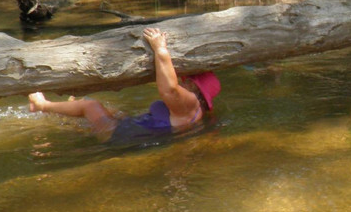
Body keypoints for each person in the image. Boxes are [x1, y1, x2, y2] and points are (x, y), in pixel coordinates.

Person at [27, 27, 220, 141]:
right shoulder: (196, 112)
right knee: (114, 112)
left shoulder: (189, 102)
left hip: (124, 136)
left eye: (188, 81)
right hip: (135, 134)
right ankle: (71, 114)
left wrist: (160, 49)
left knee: (90, 105)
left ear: (195, 87)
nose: (184, 82)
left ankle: (42, 105)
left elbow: (169, 90)